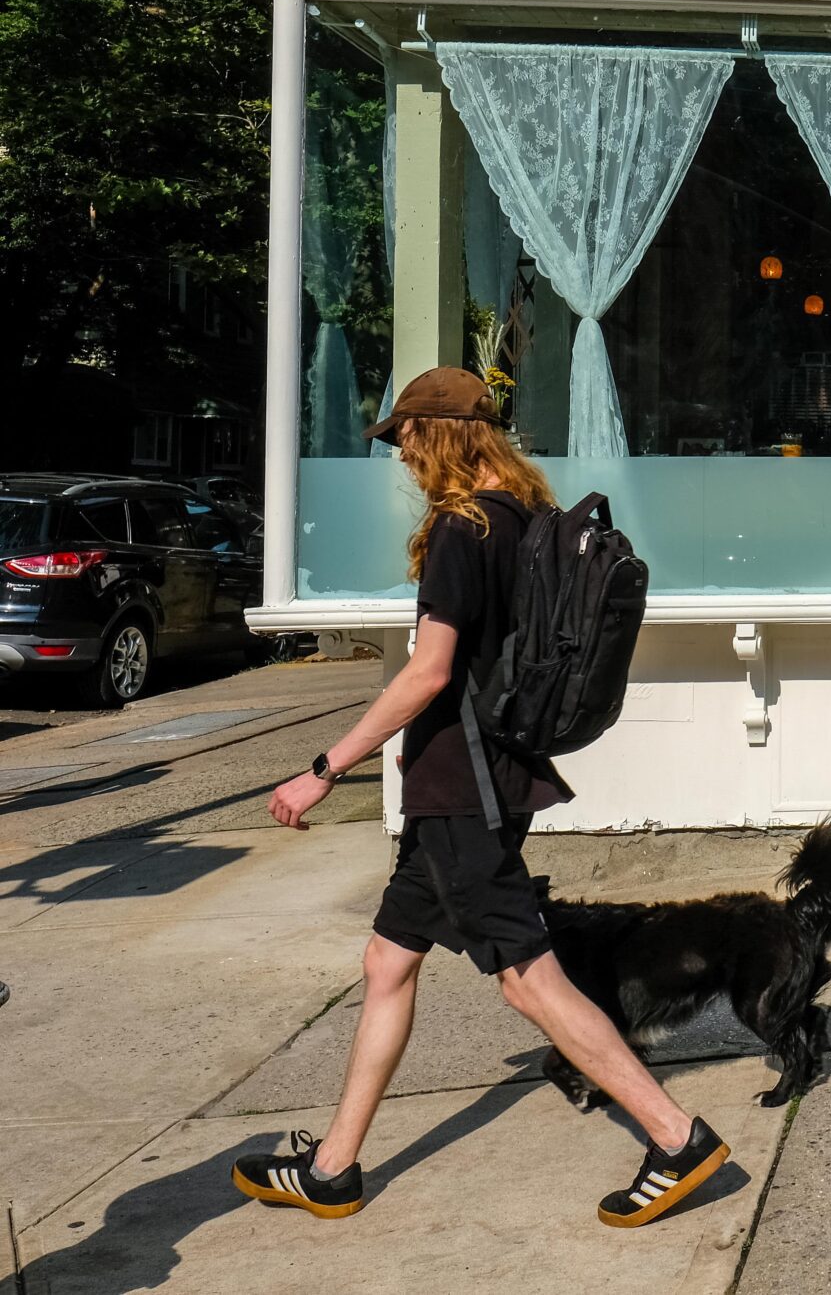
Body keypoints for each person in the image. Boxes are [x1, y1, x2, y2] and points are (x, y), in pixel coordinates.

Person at [233, 367, 729, 1228]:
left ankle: (676, 1135)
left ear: (440, 435)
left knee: (528, 980)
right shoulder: (527, 516)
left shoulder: (461, 529)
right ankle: (334, 1168)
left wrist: (326, 765)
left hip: (462, 788)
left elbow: (429, 672)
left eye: (410, 439)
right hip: (486, 777)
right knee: (388, 961)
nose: (405, 456)